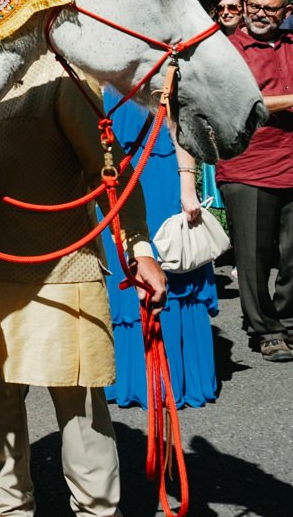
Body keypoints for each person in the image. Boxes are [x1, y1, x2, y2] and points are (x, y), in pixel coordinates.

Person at [0, 62, 166, 517]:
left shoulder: (59, 75)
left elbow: (109, 172)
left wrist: (139, 247)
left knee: (82, 417)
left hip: (63, 273)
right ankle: (9, 511)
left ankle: (98, 512)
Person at [218, 0, 293, 363]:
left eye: (269, 8)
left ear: (286, 12)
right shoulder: (229, 49)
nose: (259, 14)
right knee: (253, 255)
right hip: (252, 163)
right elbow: (248, 102)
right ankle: (265, 331)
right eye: (254, 6)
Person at [100, 89, 220, 408]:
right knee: (120, 263)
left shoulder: (158, 50)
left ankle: (169, 376)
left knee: (170, 258)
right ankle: (129, 377)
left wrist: (187, 185)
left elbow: (179, 120)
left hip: (157, 167)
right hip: (107, 170)